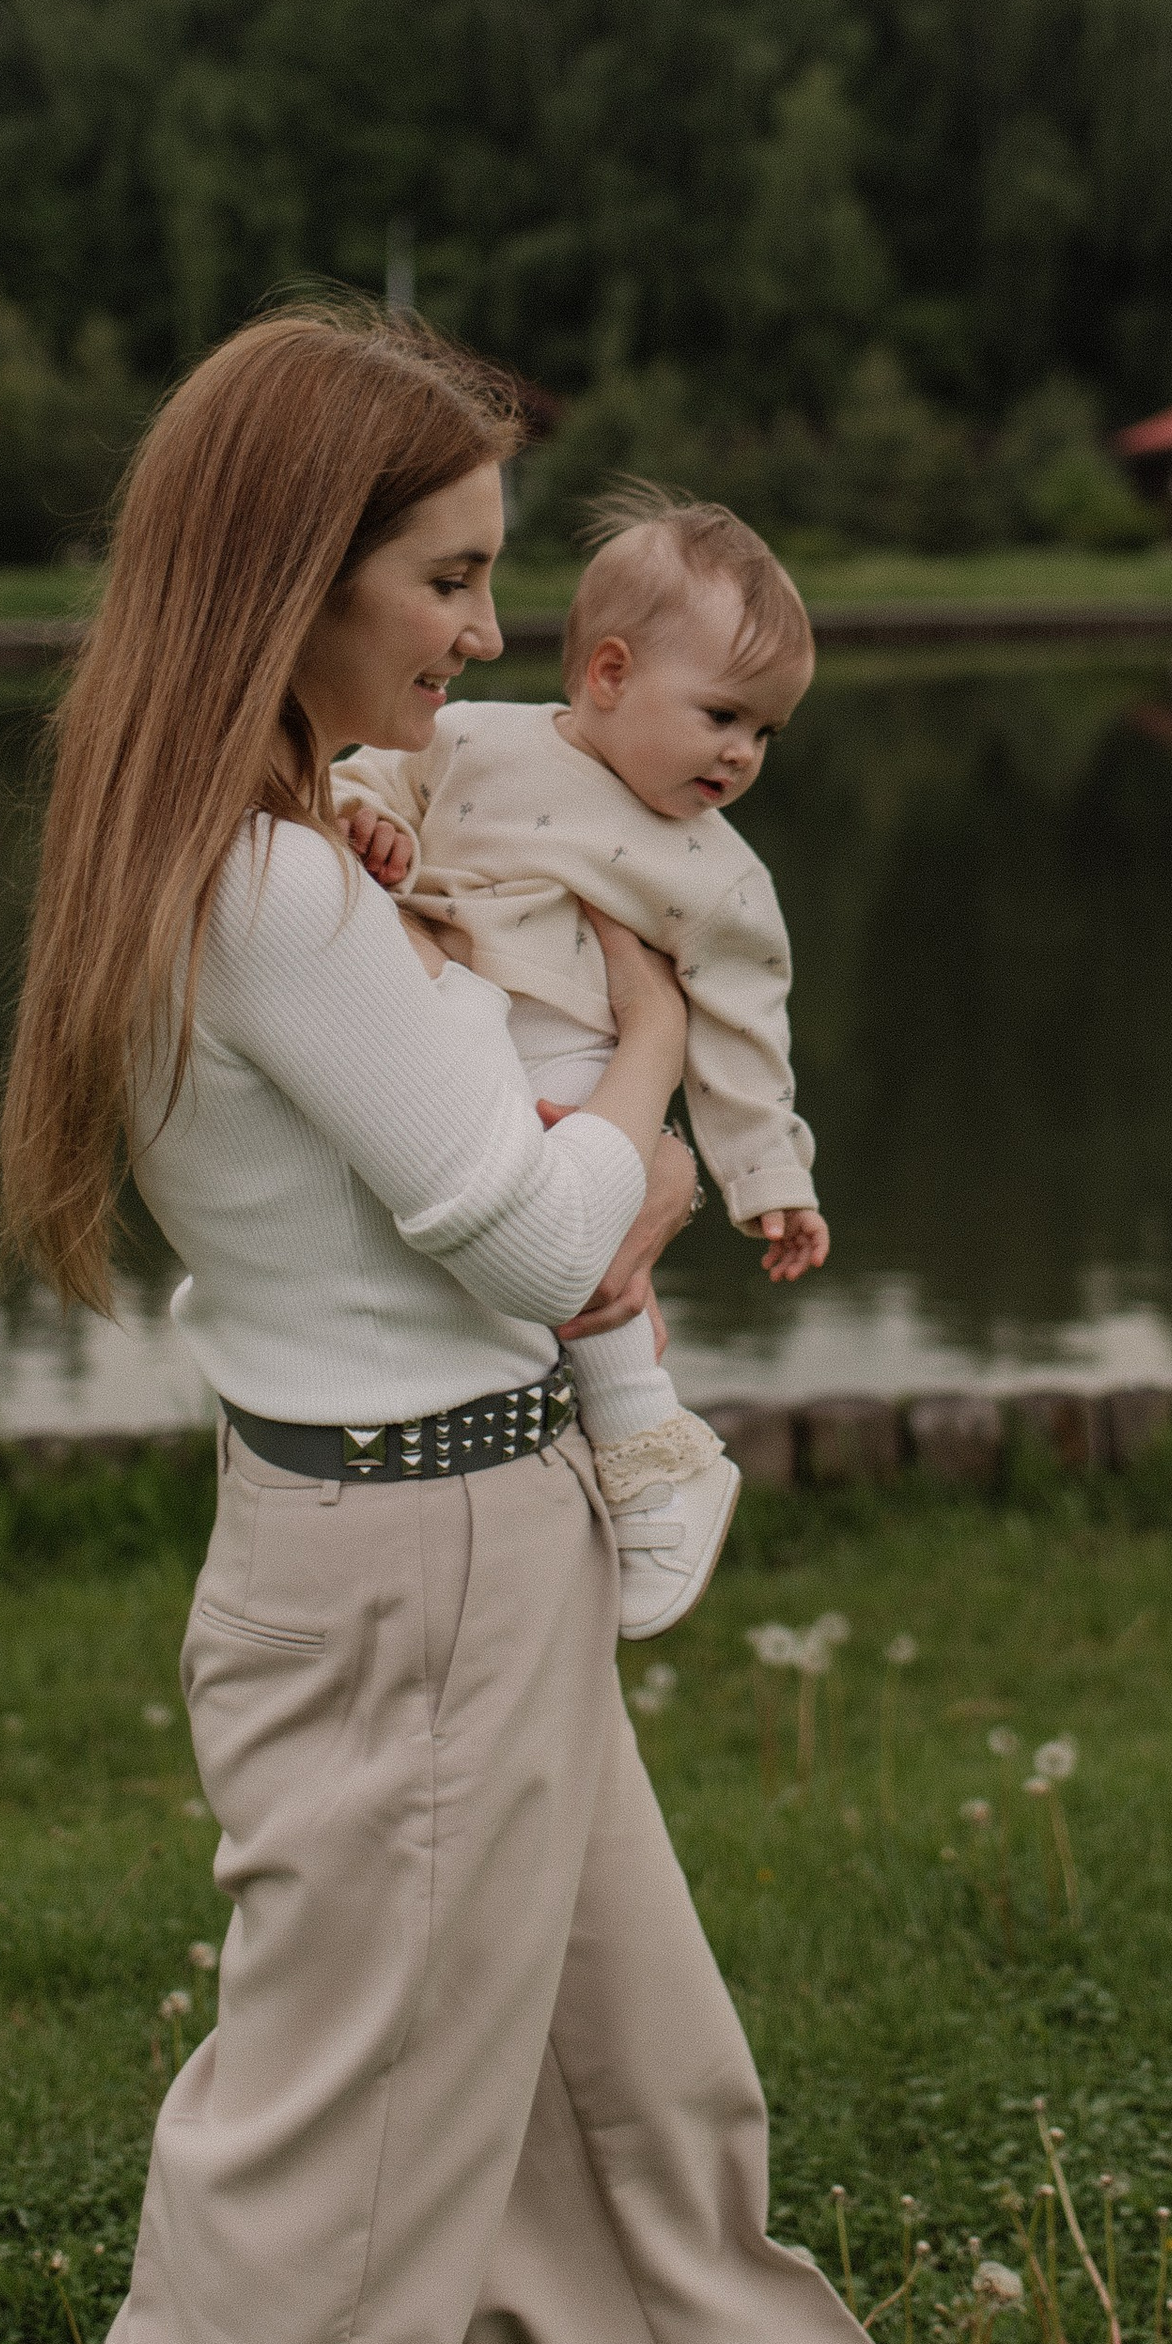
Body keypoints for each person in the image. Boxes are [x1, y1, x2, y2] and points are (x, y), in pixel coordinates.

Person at [0, 304, 987, 2344]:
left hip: (471, 1528)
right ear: (292, 569)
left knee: (633, 2101)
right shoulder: (274, 886)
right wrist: (648, 1036)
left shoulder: (321, 835)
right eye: (441, 574)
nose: (481, 629)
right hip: (405, 1564)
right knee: (308, 2206)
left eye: (485, 575)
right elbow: (547, 1231)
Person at [331, 487, 827, 1641]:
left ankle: (652, 1455)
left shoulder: (722, 873)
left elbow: (747, 1038)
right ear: (607, 672)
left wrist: (773, 1180)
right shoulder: (472, 738)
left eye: (765, 731)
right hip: (449, 1039)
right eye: (720, 715)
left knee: (581, 1255)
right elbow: (367, 780)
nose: (742, 754)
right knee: (485, 1256)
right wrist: (367, 822)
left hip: (580, 1070)